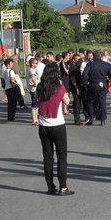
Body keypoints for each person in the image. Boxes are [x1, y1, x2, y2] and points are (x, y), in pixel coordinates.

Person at [36, 62, 73, 196]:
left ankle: (50, 187)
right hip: (57, 125)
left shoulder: (40, 87)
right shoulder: (60, 87)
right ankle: (63, 187)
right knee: (62, 157)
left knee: (48, 157)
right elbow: (67, 102)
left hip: (43, 126)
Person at [82, 50, 111, 126]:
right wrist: (108, 78)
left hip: (93, 84)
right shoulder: (105, 64)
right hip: (103, 84)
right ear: (100, 56)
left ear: (93, 56)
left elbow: (85, 74)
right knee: (102, 101)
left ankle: (91, 119)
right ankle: (103, 119)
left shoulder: (90, 64)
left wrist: (85, 84)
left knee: (90, 102)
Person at [69, 54, 86, 125]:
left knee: (79, 102)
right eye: (77, 59)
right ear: (73, 60)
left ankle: (78, 118)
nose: (79, 60)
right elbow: (73, 79)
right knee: (77, 103)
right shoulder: (73, 67)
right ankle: (77, 119)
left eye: (80, 59)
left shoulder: (77, 66)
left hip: (79, 86)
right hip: (75, 87)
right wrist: (77, 88)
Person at [27, 57, 40, 125]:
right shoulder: (31, 70)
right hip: (34, 89)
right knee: (34, 105)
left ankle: (36, 119)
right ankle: (34, 120)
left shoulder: (33, 69)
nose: (37, 64)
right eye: (36, 63)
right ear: (32, 64)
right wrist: (35, 84)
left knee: (36, 105)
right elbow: (32, 77)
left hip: (35, 89)